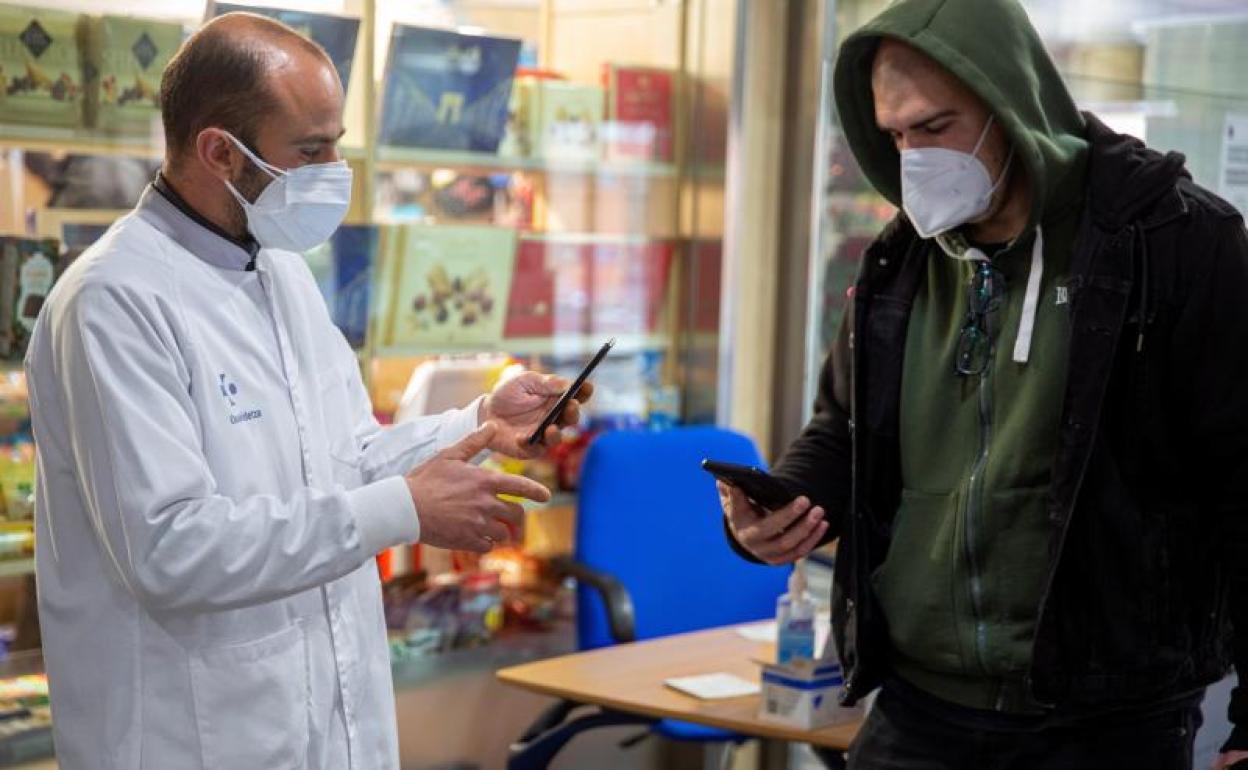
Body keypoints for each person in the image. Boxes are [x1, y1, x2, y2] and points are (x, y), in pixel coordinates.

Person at [26, 14, 590, 770]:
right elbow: (170, 548)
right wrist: (406, 510)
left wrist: (482, 421)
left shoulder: (279, 269)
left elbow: (343, 454)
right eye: (311, 149)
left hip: (327, 728)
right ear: (219, 152)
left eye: (338, 140)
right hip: (187, 737)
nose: (336, 167)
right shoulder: (113, 301)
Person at [720, 0, 1248, 768]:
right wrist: (777, 507)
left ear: (1015, 106)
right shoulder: (899, 264)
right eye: (895, 135)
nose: (915, 159)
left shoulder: (1174, 244)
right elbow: (843, 429)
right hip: (916, 710)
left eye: (935, 128)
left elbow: (1243, 479)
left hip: (1106, 718)